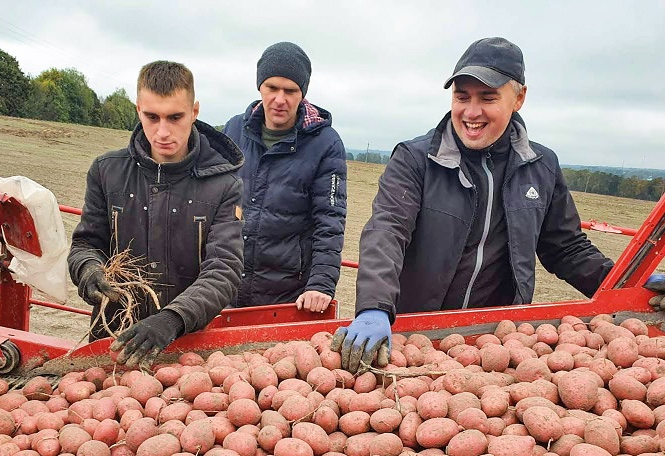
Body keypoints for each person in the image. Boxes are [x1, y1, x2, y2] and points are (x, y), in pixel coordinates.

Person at [332, 36, 618, 371]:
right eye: (461, 96)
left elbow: (566, 247)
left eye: (488, 98)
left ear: (519, 98)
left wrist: (622, 282)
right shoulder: (416, 159)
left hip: (492, 345)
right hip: (414, 339)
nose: (471, 112)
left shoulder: (541, 166)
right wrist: (374, 307)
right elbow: (387, 231)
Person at [67, 60, 244, 370]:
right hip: (114, 339)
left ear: (194, 112)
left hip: (188, 347)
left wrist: (172, 319)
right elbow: (85, 245)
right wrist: (88, 270)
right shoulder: (107, 171)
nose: (163, 132)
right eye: (152, 117)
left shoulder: (223, 184)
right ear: (138, 110)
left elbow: (224, 270)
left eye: (175, 117)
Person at [223, 41, 347, 313]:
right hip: (227, 286)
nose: (280, 99)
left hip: (287, 294)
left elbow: (330, 219)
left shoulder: (325, 143)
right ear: (260, 87)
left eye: (290, 90)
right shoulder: (234, 130)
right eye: (272, 88)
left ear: (302, 93)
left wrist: (321, 283)